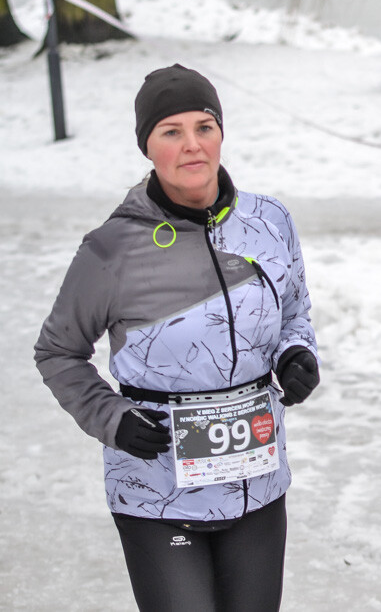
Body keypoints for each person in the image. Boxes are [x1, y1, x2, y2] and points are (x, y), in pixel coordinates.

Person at [34, 64, 321, 612]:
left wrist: (296, 352)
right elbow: (58, 352)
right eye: (171, 132)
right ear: (148, 146)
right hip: (156, 491)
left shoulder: (270, 220)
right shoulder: (112, 250)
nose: (192, 145)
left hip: (257, 480)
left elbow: (295, 311)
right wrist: (110, 418)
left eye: (205, 126)